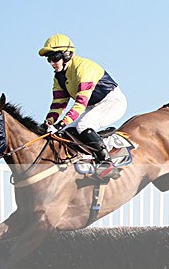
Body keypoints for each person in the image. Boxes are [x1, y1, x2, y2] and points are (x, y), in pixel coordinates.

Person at [38, 34, 127, 179]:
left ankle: (106, 162)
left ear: (67, 55)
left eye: (54, 58)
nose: (52, 63)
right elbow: (58, 103)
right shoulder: (58, 77)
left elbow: (80, 103)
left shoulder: (83, 68)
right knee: (67, 132)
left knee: (83, 125)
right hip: (92, 106)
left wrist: (61, 123)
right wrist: (49, 121)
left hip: (112, 102)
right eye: (49, 59)